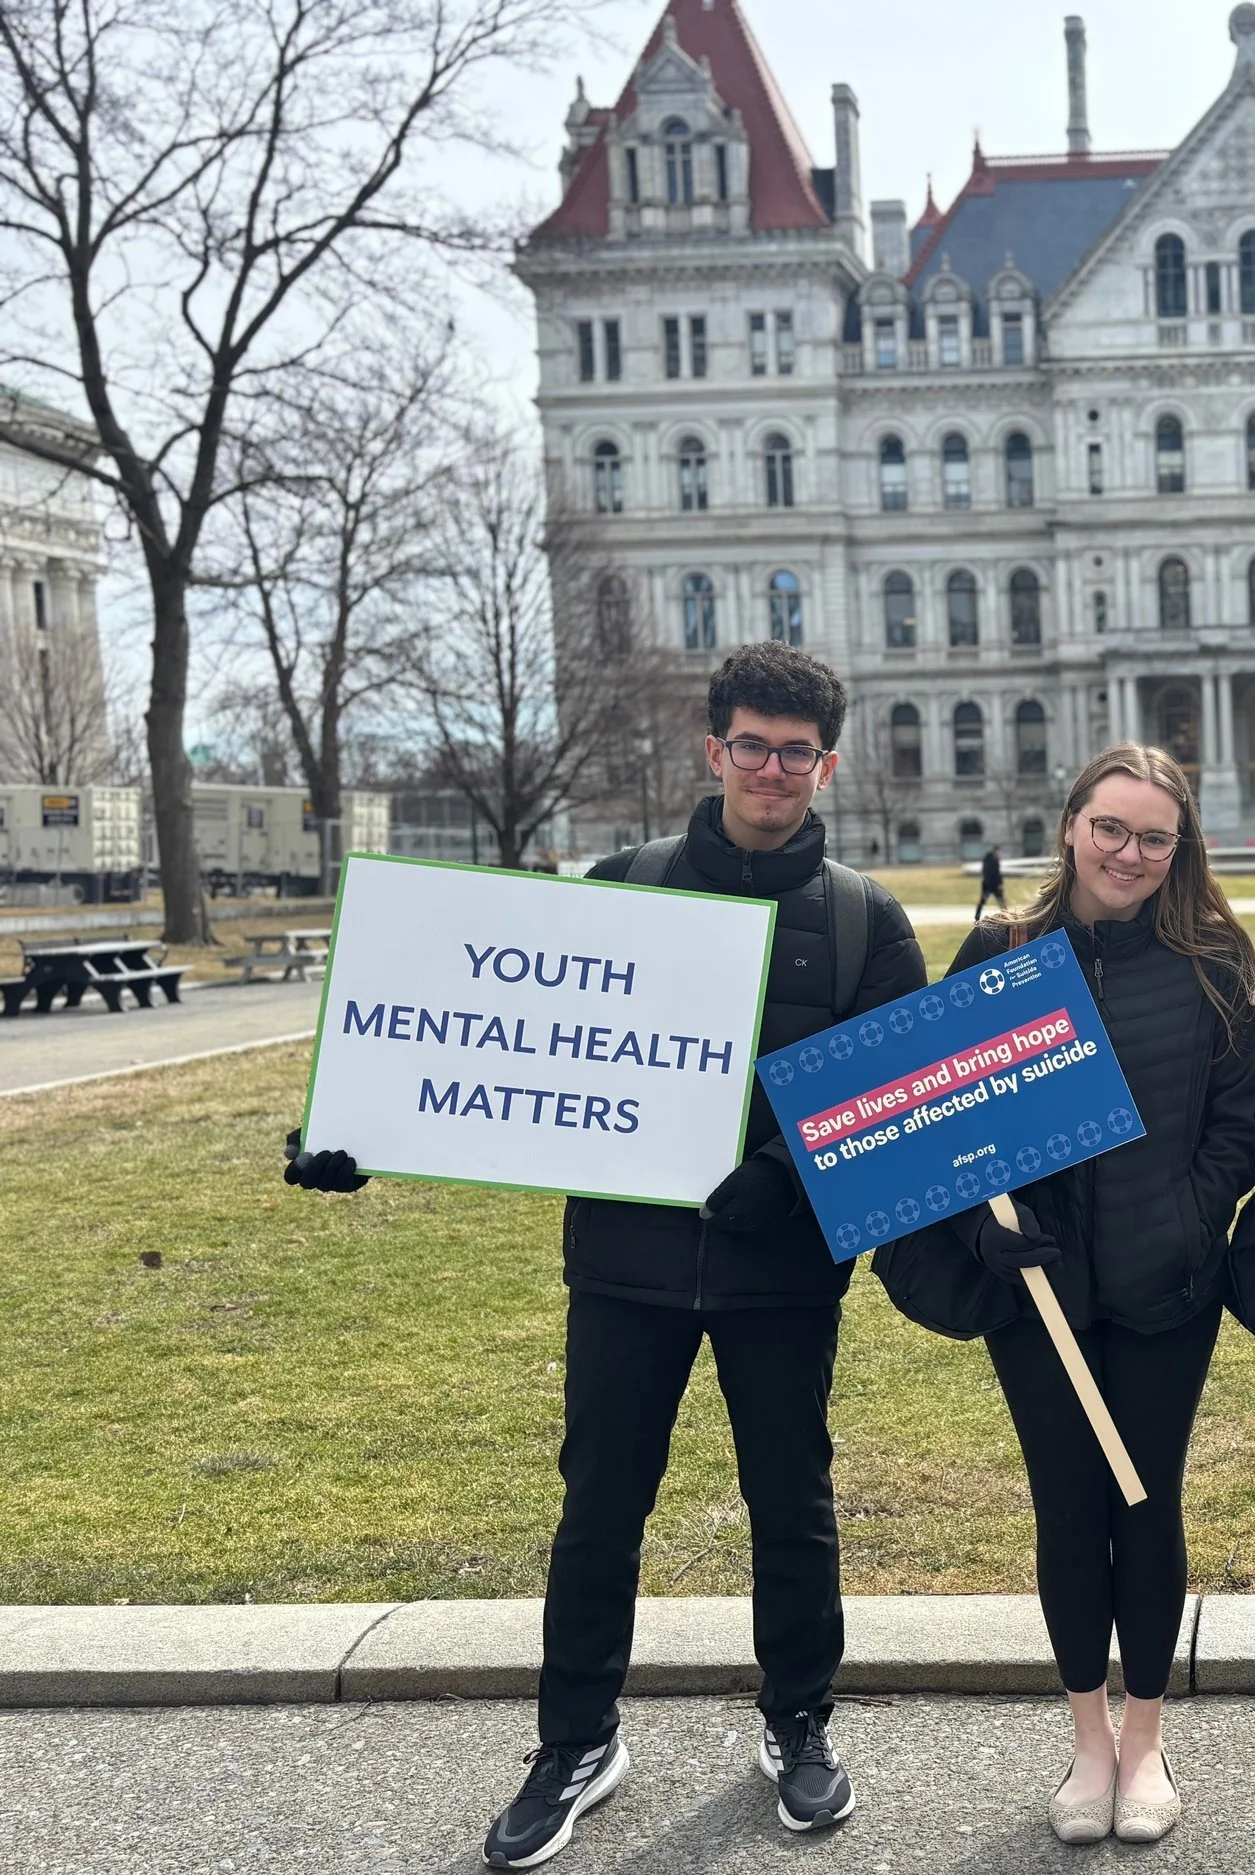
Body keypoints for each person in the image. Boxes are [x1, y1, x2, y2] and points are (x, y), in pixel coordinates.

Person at [284, 644, 926, 1866]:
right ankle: (575, 1739)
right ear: (713, 750)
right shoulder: (616, 890)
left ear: (825, 764)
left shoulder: (862, 920)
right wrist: (353, 1131)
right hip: (626, 1268)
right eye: (751, 745)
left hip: (779, 1273)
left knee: (791, 1506)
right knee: (598, 1512)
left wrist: (783, 1182)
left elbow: (892, 1111)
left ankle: (798, 1722)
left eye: (796, 752)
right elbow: (486, 1054)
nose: (772, 769)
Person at [919, 744, 1255, 1846]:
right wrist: (983, 1225)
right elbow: (935, 1116)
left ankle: (1147, 1740)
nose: (1128, 852)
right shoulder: (1000, 952)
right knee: (1067, 1507)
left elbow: (1240, 1123)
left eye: (1153, 836)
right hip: (1041, 1300)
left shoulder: (1215, 960)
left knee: (1144, 1501)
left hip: (1167, 1289)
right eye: (1109, 828)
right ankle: (1086, 1741)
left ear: (1180, 848)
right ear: (1069, 826)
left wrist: (1184, 1220)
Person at [975, 841, 1008, 918]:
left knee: (983, 901)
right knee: (1001, 901)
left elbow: (984, 871)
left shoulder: (987, 858)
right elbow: (996, 873)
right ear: (997, 851)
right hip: (994, 885)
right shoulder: (995, 860)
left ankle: (977, 915)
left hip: (986, 884)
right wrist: (1000, 883)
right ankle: (1007, 915)